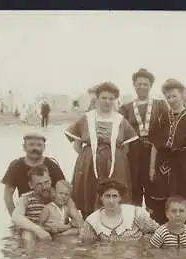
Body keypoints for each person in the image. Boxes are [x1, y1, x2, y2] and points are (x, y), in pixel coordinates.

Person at [65, 82, 139, 218]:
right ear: (97, 99)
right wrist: (85, 158)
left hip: (115, 165)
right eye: (104, 98)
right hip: (89, 164)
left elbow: (126, 147)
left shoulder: (120, 120)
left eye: (111, 98)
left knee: (114, 195)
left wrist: (114, 160)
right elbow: (77, 143)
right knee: (88, 195)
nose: (107, 101)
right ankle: (89, 224)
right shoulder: (87, 118)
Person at [147, 79, 186, 225]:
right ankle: (163, 230)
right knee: (162, 197)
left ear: (182, 95)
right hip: (163, 164)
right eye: (168, 97)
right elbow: (154, 145)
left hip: (184, 164)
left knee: (184, 198)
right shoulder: (162, 116)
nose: (171, 100)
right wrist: (151, 168)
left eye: (174, 96)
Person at [119, 69, 169, 208]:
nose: (141, 87)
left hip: (155, 152)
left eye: (145, 84)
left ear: (150, 86)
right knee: (135, 187)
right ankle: (135, 223)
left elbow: (167, 129)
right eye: (138, 83)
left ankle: (155, 223)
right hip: (133, 153)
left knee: (155, 187)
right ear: (134, 85)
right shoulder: (125, 108)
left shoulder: (160, 105)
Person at [1, 132, 67, 217]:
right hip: (27, 213)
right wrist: (16, 218)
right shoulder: (15, 166)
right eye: (31, 145)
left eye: (39, 145)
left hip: (51, 214)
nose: (35, 148)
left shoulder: (52, 166)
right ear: (24, 147)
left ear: (44, 147)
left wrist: (63, 218)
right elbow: (8, 197)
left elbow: (65, 194)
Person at [79, 179, 160, 243]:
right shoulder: (92, 221)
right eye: (107, 196)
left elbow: (159, 232)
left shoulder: (136, 213)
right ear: (101, 197)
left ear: (120, 198)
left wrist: (143, 244)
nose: (111, 201)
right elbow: (88, 249)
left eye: (115, 196)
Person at [11, 166, 77, 243]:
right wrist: (38, 230)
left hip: (59, 232)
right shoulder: (26, 198)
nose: (44, 187)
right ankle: (30, 254)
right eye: (39, 184)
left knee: (74, 236)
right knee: (27, 234)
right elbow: (16, 217)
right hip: (36, 233)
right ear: (31, 185)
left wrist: (67, 228)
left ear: (50, 180)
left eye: (46, 182)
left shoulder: (61, 196)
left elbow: (78, 220)